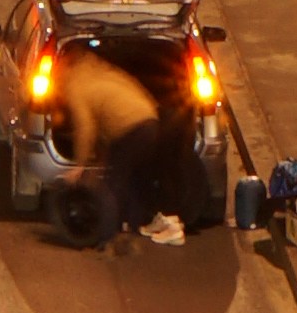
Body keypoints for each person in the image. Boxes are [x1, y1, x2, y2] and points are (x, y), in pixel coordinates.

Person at [38, 35, 206, 248]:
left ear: (64, 67)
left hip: (131, 129)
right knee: (132, 178)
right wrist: (99, 158)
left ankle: (107, 236)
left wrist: (80, 165)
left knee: (112, 182)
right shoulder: (101, 71)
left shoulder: (76, 85)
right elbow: (106, 126)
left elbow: (86, 127)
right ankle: (134, 226)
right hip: (150, 120)